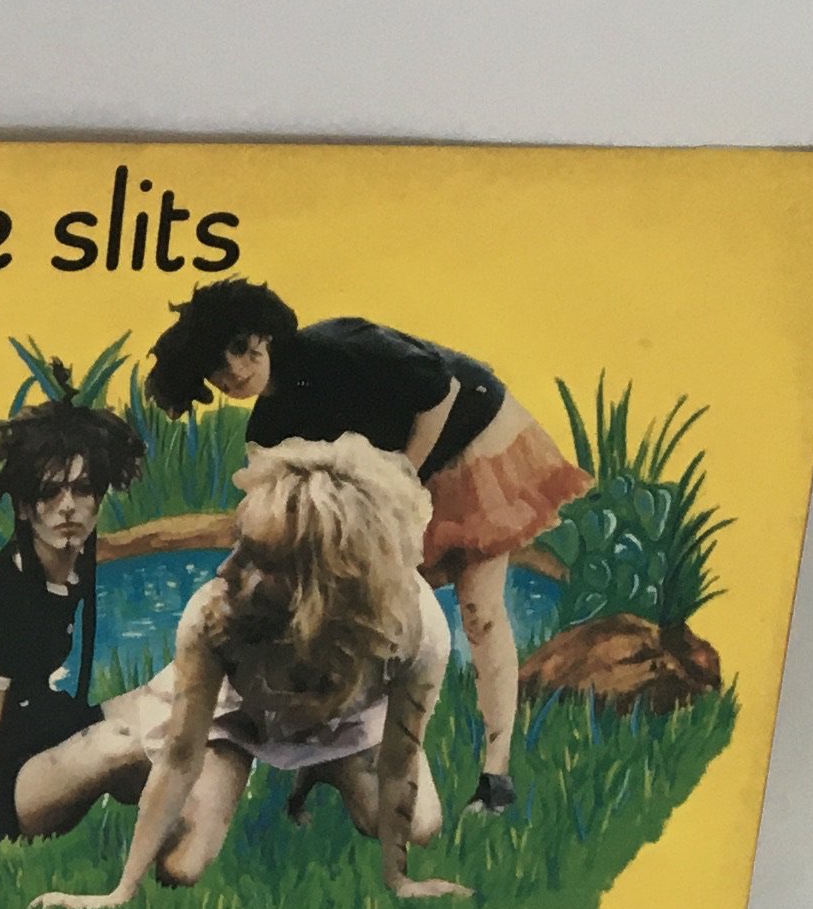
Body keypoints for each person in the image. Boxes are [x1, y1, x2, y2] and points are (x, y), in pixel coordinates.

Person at [148, 278, 593, 814]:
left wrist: (404, 478)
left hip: (466, 441)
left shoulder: (339, 346)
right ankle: (330, 756)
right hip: (387, 488)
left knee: (479, 608)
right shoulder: (267, 430)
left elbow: (441, 390)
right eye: (219, 370)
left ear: (264, 334)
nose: (238, 371)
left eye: (244, 348)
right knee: (350, 611)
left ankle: (495, 775)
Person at [11, 438, 466, 909]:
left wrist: (399, 879)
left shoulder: (414, 628)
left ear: (322, 583)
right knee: (181, 868)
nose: (226, 568)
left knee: (420, 827)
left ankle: (326, 765)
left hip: (346, 720)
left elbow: (399, 760)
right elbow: (180, 759)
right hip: (237, 718)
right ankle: (133, 749)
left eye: (257, 561)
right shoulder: (215, 611)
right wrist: (122, 892)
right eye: (238, 546)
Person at [0, 395, 146, 842]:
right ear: (23, 507)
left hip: (32, 734)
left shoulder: (71, 567)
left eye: (82, 489)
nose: (68, 506)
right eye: (49, 492)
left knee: (165, 701)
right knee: (119, 745)